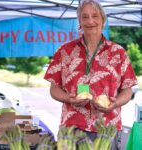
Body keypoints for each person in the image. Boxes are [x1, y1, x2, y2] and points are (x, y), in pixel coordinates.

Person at [44, 0, 137, 149]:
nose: (90, 21)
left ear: (103, 21)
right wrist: (68, 98)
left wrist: (115, 103)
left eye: (95, 16)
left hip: (106, 129)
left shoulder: (118, 52)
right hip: (72, 128)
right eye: (85, 17)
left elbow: (127, 90)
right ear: (79, 22)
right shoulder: (64, 51)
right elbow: (54, 89)